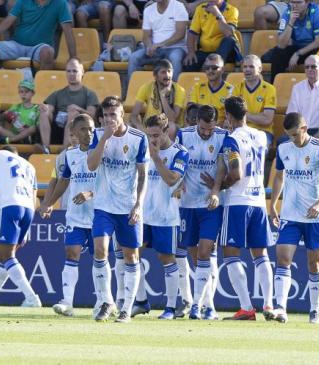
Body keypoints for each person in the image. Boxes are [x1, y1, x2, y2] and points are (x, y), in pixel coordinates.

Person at [268, 112, 319, 324]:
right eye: (289, 135)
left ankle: (314, 311)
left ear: (305, 129)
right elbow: (279, 176)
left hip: (314, 217)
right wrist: (273, 204)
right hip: (290, 215)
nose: (292, 139)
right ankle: (281, 308)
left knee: (314, 264)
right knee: (282, 258)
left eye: (295, 135)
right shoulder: (283, 148)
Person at [87, 96, 149, 323]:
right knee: (100, 250)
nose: (109, 119)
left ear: (122, 114)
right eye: (105, 116)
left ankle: (126, 309)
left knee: (131, 256)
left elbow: (143, 175)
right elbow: (91, 165)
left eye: (114, 114)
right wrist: (104, 136)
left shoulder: (138, 139)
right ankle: (106, 301)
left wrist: (139, 204)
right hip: (104, 205)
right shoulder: (97, 135)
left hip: (128, 206)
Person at [219, 96, 274, 321]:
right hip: (259, 201)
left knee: (231, 253)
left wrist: (219, 186)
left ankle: (246, 308)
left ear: (229, 117)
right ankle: (269, 305)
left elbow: (236, 173)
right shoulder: (262, 136)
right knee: (260, 254)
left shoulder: (231, 139)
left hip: (238, 202)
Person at [38, 114, 97, 317]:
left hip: (100, 214)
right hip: (76, 215)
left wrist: (91, 194)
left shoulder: (102, 152)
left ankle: (105, 302)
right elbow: (63, 181)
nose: (88, 133)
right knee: (71, 253)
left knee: (101, 258)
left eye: (91, 129)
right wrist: (48, 203)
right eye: (83, 130)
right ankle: (67, 303)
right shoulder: (69, 155)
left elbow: (114, 182)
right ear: (73, 133)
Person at [135, 114, 189, 320]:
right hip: (144, 214)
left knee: (166, 258)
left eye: (156, 135)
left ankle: (171, 307)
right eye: (149, 136)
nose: (153, 140)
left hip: (167, 216)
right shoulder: (143, 150)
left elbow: (171, 180)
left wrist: (156, 157)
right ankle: (140, 301)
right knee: (132, 254)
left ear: (167, 131)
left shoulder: (180, 153)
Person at [177, 104, 227, 320]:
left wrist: (216, 189)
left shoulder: (223, 137)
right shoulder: (183, 135)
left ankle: (201, 305)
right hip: (187, 204)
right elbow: (176, 163)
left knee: (206, 251)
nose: (207, 133)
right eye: (203, 129)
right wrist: (178, 183)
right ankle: (206, 304)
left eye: (210, 129)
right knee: (196, 256)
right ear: (196, 122)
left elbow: (223, 166)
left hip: (210, 204)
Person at [0, 146, 41, 307]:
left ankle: (31, 298)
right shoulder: (30, 166)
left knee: (6, 256)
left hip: (10, 205)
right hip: (28, 209)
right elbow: (34, 196)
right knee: (6, 255)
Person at [0, 0, 77, 71]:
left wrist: (73, 58)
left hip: (39, 47)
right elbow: (8, 20)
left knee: (48, 53)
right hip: (17, 44)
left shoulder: (60, 3)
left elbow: (68, 31)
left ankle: (41, 90)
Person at [39, 58, 99, 151]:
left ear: (82, 72)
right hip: (57, 127)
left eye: (75, 71)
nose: (71, 74)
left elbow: (92, 116)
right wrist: (45, 109)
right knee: (43, 113)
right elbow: (49, 110)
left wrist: (78, 109)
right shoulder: (57, 93)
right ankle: (45, 148)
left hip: (78, 129)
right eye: (69, 71)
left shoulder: (89, 94)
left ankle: (65, 149)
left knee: (73, 113)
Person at [266, 0, 319, 82]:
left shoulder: (316, 11)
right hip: (297, 46)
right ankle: (275, 86)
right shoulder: (288, 12)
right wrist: (291, 22)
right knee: (277, 54)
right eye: (292, 2)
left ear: (307, 3)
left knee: (317, 56)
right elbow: (281, 45)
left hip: (314, 48)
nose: (295, 5)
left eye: (298, 2)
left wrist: (298, 53)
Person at [127, 0, 188, 80]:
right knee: (134, 57)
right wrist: (149, 46)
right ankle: (133, 90)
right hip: (156, 50)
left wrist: (160, 44)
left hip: (176, 48)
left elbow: (180, 34)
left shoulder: (178, 6)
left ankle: (174, 90)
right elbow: (146, 36)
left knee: (175, 58)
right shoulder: (148, 10)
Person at [130, 59, 186, 138]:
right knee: (130, 126)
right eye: (163, 72)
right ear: (155, 75)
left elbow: (172, 118)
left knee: (171, 127)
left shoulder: (179, 90)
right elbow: (134, 115)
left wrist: (162, 96)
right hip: (149, 125)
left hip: (168, 126)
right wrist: (140, 127)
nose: (167, 75)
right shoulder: (146, 87)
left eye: (169, 71)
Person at [184, 0, 242, 72]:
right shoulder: (201, 8)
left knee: (229, 40)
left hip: (226, 52)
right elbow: (192, 33)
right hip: (205, 51)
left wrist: (217, 14)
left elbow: (228, 33)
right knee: (189, 63)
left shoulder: (232, 10)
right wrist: (191, 52)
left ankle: (215, 66)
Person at [287, 55, 319, 136]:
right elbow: (292, 114)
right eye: (307, 67)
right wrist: (296, 134)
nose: (309, 69)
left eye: (313, 67)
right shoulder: (297, 87)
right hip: (301, 131)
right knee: (282, 142)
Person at [232, 55, 276, 147]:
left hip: (263, 132)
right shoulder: (237, 88)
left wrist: (242, 115)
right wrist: (257, 116)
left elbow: (267, 119)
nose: (247, 69)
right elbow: (232, 117)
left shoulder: (269, 89)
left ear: (260, 69)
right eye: (245, 67)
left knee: (256, 151)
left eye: (251, 66)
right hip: (241, 130)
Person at [188, 54, 233, 124]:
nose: (210, 70)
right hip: (200, 128)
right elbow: (191, 110)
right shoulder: (197, 88)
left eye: (214, 68)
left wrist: (200, 107)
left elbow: (230, 117)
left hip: (220, 129)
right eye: (207, 68)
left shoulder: (230, 90)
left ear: (223, 69)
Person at [0, 80, 40, 145]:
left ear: (33, 93)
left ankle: (12, 140)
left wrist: (26, 128)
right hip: (14, 133)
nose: (23, 94)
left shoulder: (36, 108)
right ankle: (17, 139)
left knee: (33, 128)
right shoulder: (16, 106)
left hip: (28, 135)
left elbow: (37, 127)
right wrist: (6, 115)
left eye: (26, 92)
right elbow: (2, 118)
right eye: (21, 92)